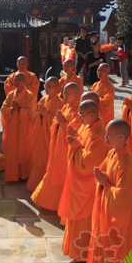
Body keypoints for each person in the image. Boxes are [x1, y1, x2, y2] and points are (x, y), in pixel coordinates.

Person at [87, 119, 132, 263]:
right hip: (106, 211)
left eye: (109, 135)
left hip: (118, 217)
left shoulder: (126, 164)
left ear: (121, 137)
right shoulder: (112, 153)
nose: (105, 138)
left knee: (115, 253)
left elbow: (122, 197)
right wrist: (102, 181)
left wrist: (105, 184)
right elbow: (104, 176)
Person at [60, 99, 107, 261]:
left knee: (85, 220)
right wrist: (75, 138)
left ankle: (84, 253)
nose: (79, 117)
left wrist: (75, 145)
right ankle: (77, 252)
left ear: (92, 115)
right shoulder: (88, 127)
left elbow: (88, 164)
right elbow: (82, 144)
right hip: (81, 186)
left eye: (82, 115)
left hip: (89, 189)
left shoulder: (99, 135)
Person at [32, 82, 81, 210]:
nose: (64, 96)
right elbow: (54, 124)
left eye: (68, 93)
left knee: (61, 175)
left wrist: (62, 123)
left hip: (66, 149)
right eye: (64, 92)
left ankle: (57, 203)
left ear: (77, 95)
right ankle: (48, 201)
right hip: (57, 146)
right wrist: (53, 119)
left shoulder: (79, 110)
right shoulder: (65, 108)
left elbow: (76, 130)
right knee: (53, 172)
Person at [27, 78, 64, 191]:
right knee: (38, 158)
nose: (46, 88)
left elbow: (59, 122)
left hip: (50, 137)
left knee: (47, 160)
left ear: (57, 88)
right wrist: (40, 115)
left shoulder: (60, 103)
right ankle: (35, 184)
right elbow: (34, 115)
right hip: (40, 135)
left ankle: (45, 186)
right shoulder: (43, 99)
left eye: (49, 86)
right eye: (45, 85)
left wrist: (46, 114)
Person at [0, 72, 37, 182]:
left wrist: (20, 109)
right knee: (12, 149)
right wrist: (10, 110)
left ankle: (24, 174)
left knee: (24, 148)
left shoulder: (30, 95)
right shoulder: (11, 94)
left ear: (24, 81)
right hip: (12, 127)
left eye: (20, 79)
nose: (17, 82)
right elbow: (3, 108)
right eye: (16, 79)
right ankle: (12, 175)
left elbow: (32, 113)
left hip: (23, 128)